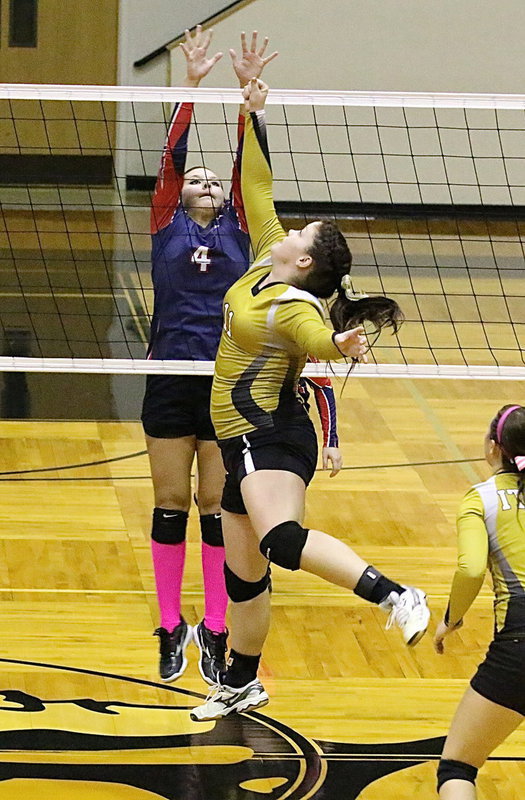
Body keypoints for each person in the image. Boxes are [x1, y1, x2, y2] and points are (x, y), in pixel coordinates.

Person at [190, 78, 430, 722]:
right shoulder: (269, 258)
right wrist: (252, 115)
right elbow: (257, 191)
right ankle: (241, 681)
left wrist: (336, 342)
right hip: (240, 439)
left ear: (305, 263)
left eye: (301, 232)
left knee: (281, 542)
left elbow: (311, 336)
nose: (289, 229)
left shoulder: (291, 303)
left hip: (267, 434)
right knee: (245, 578)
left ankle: (395, 594)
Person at [142, 27, 278, 685]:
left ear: (224, 197)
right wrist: (190, 88)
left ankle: (218, 628)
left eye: (211, 181)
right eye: (192, 178)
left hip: (225, 382)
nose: (202, 182)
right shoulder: (164, 222)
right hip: (169, 376)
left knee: (217, 509)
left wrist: (247, 107)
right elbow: (172, 157)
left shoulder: (241, 230)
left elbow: (246, 172)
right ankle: (171, 625)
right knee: (170, 503)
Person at [433, 404, 525, 799]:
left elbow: (470, 570)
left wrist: (451, 619)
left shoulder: (481, 499)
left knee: (458, 766)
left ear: (493, 447)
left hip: (519, 644)